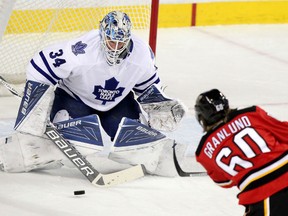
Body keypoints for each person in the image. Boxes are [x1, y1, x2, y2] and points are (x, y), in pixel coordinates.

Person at [0, 11, 186, 175]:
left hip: (118, 104)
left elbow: (148, 87)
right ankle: (17, 153)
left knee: (138, 140)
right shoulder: (80, 51)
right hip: (74, 100)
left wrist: (161, 106)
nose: (115, 47)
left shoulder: (142, 54)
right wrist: (34, 106)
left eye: (121, 42)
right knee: (79, 142)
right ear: (102, 36)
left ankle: (161, 158)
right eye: (111, 41)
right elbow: (40, 64)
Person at [194, 89, 288, 216]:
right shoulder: (251, 114)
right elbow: (285, 133)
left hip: (262, 192)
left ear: (202, 117)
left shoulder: (203, 151)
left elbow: (225, 182)